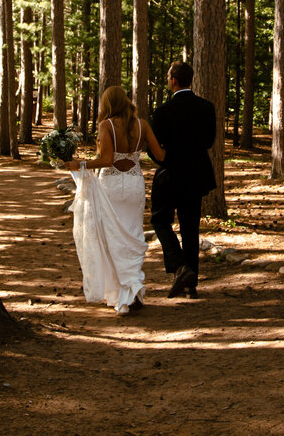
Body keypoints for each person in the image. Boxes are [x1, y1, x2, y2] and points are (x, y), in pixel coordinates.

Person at [61, 86, 165, 316]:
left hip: (112, 187)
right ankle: (132, 290)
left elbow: (107, 160)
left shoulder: (106, 125)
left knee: (113, 238)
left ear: (108, 104)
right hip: (135, 185)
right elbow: (160, 155)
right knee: (133, 235)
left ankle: (124, 293)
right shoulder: (143, 125)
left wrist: (81, 164)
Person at [149, 61, 216, 298]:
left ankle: (180, 266)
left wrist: (166, 160)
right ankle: (191, 285)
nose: (168, 80)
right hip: (197, 174)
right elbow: (209, 142)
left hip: (170, 174)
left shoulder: (163, 112)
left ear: (174, 80)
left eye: (168, 77)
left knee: (159, 220)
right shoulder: (207, 108)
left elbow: (153, 148)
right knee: (190, 228)